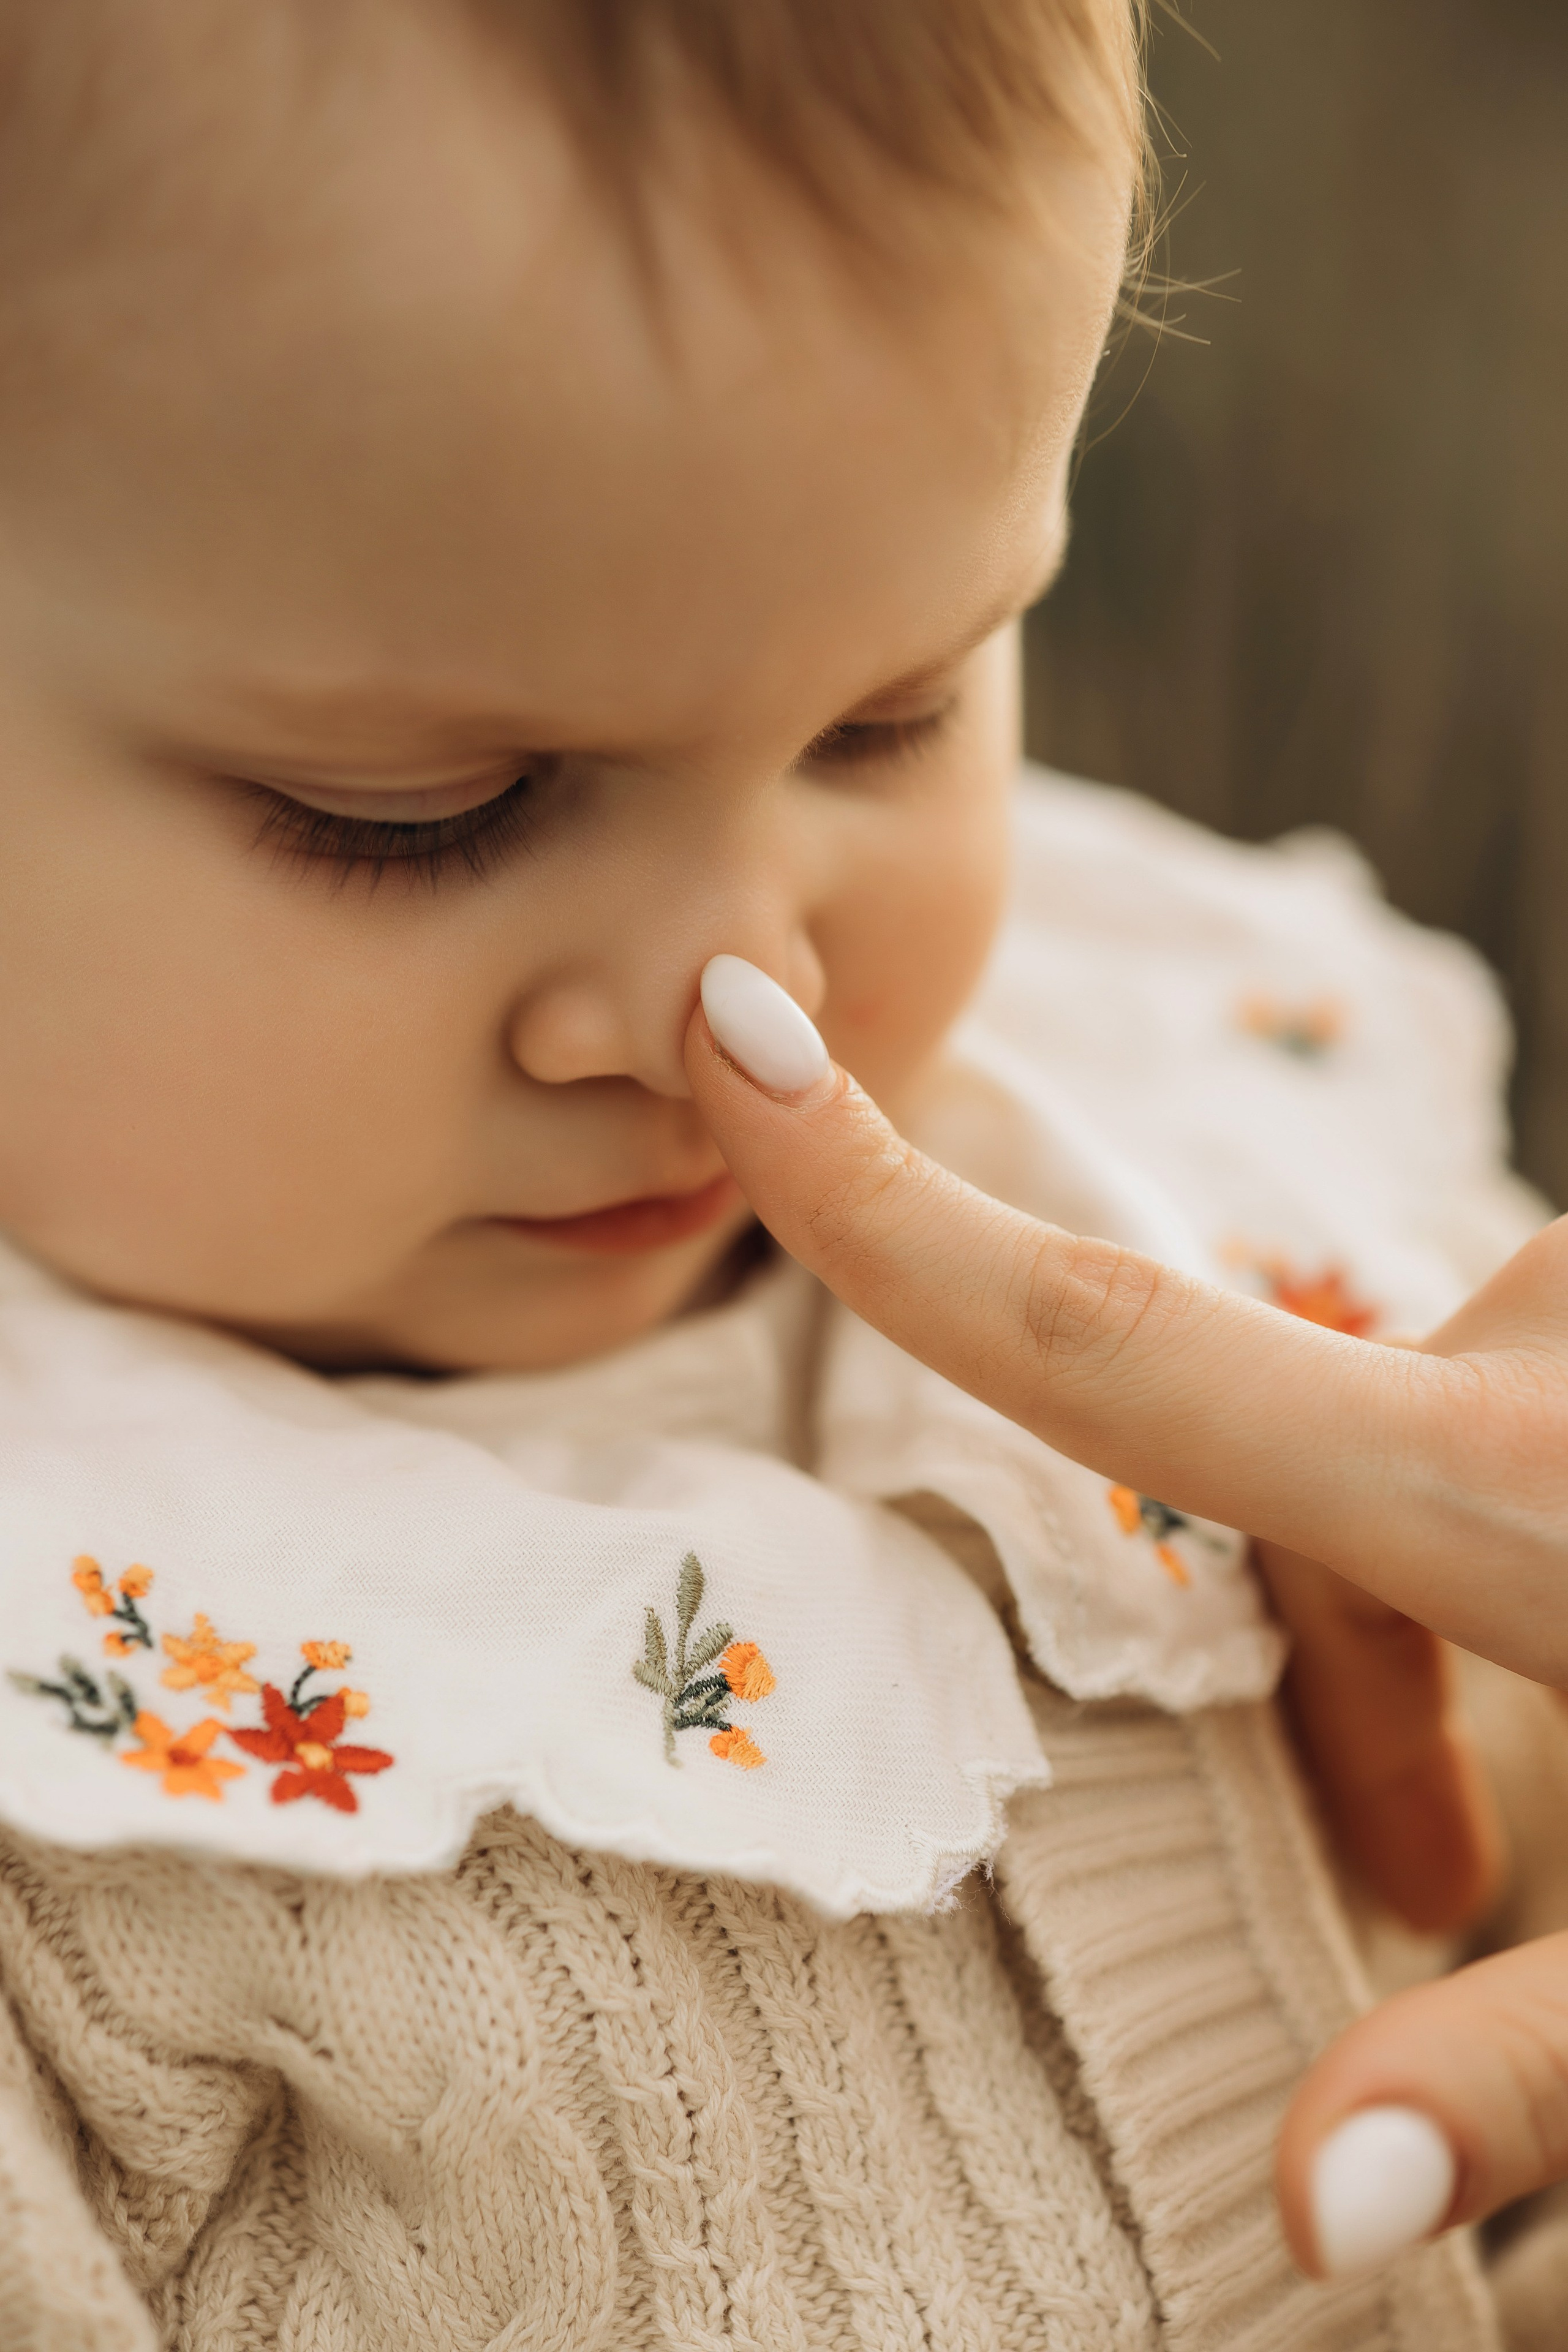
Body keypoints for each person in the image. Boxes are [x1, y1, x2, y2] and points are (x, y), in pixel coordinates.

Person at [0, 2, 1548, 2346]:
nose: (745, 991)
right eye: (420, 812)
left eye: (891, 713)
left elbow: (1468, 1901)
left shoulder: (1173, 1135)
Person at [686, 957, 1568, 2291]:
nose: (746, 957)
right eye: (409, 819)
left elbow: (1505, 1859)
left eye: (875, 741)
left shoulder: (1282, 1143)